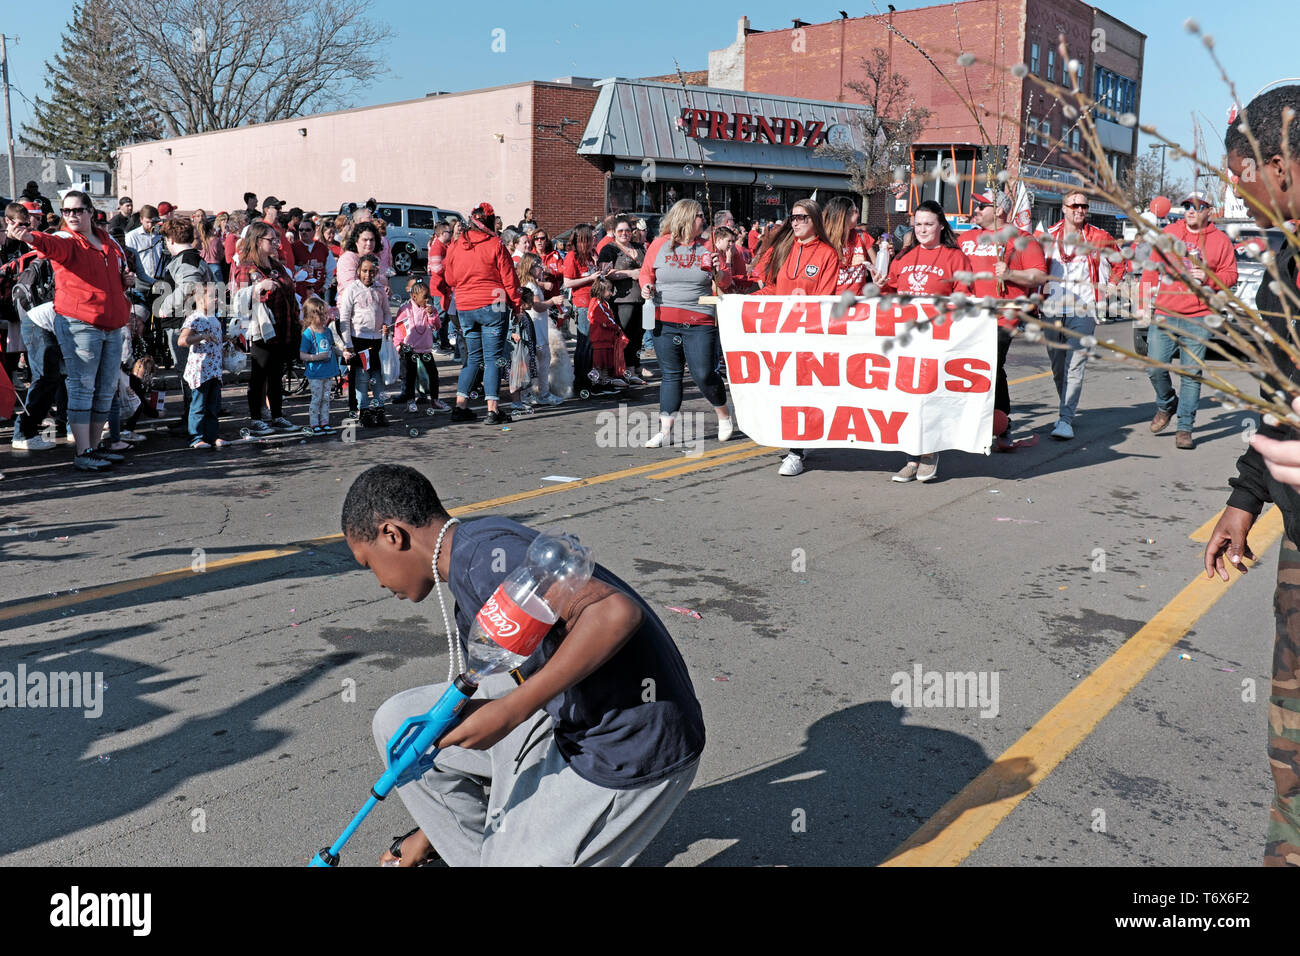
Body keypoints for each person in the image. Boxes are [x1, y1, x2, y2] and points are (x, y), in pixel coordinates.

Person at [342, 463, 704, 867]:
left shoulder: (485, 560)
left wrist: (510, 711)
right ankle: (481, 853)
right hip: (568, 714)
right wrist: (431, 833)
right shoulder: (471, 554)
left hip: (629, 747)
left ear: (392, 535)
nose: (376, 580)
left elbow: (614, 613)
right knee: (401, 726)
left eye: (367, 563)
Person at [1202, 85, 1300, 867]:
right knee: (1293, 756)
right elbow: (1275, 397)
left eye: (1242, 174)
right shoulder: (1284, 266)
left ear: (1279, 162)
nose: (1236, 192)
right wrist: (1246, 496)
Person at [4, 190, 135, 470]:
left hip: (111, 324)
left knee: (104, 389)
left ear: (90, 212)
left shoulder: (106, 240)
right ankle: (83, 451)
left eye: (77, 210)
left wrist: (125, 280)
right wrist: (26, 236)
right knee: (82, 387)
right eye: (66, 211)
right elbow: (47, 243)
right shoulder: (66, 239)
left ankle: (95, 447)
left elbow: (110, 277)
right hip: (79, 322)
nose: (72, 215)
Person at [879, 199, 974, 483]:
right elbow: (889, 294)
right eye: (918, 224)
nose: (922, 229)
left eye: (928, 224)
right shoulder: (903, 257)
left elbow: (965, 296)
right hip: (906, 340)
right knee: (906, 398)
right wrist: (880, 283)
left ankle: (929, 452)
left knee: (930, 397)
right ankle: (911, 456)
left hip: (938, 340)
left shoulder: (954, 257)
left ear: (941, 225)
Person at [750, 198, 840, 476]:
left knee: (804, 391)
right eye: (793, 217)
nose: (797, 222)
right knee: (785, 391)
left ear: (815, 221)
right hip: (781, 332)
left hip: (809, 335)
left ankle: (796, 452)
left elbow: (825, 298)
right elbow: (773, 289)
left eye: (803, 218)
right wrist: (741, 299)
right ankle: (796, 442)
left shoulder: (828, 254)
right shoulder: (783, 249)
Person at [1142, 191, 1237, 450]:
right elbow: (1151, 269)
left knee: (1191, 375)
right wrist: (1142, 303)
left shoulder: (1220, 241)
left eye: (1197, 206)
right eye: (1187, 206)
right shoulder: (1170, 233)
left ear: (1209, 211)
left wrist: (1207, 278)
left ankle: (1185, 428)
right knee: (1154, 367)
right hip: (1165, 312)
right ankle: (1166, 404)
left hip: (1199, 316)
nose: (1190, 211)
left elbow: (1231, 275)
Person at [638, 198, 735, 449]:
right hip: (664, 320)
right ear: (685, 219)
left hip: (700, 319)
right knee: (671, 375)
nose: (703, 219)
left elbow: (725, 282)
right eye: (699, 215)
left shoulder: (707, 247)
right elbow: (646, 273)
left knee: (703, 373)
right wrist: (646, 288)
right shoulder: (659, 245)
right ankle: (665, 430)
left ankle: (723, 414)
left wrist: (719, 271)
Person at [959, 191, 1048, 450]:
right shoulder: (966, 237)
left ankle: (1001, 424)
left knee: (990, 365)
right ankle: (982, 422)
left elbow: (1038, 276)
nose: (974, 209)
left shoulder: (1021, 239)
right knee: (970, 367)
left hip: (1001, 316)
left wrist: (1010, 273)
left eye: (980, 205)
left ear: (998, 210)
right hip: (966, 316)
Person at [1041, 190, 1116, 441]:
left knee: (1075, 363)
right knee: (1058, 364)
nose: (1080, 210)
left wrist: (1109, 288)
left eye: (1084, 205)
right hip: (1052, 307)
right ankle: (1067, 403)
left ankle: (1065, 419)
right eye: (1074, 205)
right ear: (1064, 208)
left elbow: (1120, 263)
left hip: (1083, 309)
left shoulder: (1098, 237)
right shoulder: (1048, 236)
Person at [444, 202, 521, 426]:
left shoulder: (457, 245)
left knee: (473, 359)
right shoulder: (495, 244)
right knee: (493, 359)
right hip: (492, 304)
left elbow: (449, 279)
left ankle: (460, 406)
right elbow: (509, 279)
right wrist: (516, 307)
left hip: (466, 305)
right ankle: (492, 410)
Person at [231, 221, 300, 436]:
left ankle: (277, 415)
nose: (277, 244)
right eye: (271, 240)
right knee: (259, 374)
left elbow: (289, 289)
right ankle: (256, 419)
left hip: (282, 326)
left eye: (276, 240)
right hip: (260, 329)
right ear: (257, 241)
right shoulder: (246, 267)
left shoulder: (275, 265)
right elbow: (237, 302)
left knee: (276, 374)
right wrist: (258, 288)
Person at [156, 217, 208, 419]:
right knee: (191, 373)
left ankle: (193, 420)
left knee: (188, 373)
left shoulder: (186, 260)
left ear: (170, 239)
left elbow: (189, 287)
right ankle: (194, 418)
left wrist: (166, 307)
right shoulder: (190, 258)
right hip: (188, 322)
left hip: (184, 324)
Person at [338, 254, 393, 427]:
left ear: (376, 271)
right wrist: (348, 344)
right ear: (358, 271)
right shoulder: (352, 290)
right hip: (359, 340)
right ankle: (364, 410)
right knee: (362, 377)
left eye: (372, 271)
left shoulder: (379, 289)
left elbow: (387, 312)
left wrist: (386, 324)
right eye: (364, 271)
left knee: (377, 376)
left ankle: (380, 409)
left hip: (376, 341)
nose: (368, 275)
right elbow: (345, 319)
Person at [597, 217, 649, 384]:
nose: (624, 234)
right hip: (621, 299)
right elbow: (605, 272)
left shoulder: (639, 247)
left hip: (642, 297)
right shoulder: (609, 249)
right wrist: (630, 273)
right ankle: (620, 370)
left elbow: (648, 267)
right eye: (620, 231)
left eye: (627, 230)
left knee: (637, 336)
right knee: (623, 335)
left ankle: (633, 368)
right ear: (614, 233)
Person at [176, 282, 226, 448]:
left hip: (214, 368)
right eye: (211, 296)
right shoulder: (195, 318)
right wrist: (201, 336)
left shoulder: (213, 317)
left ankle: (212, 435)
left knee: (213, 406)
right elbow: (182, 341)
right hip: (200, 369)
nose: (216, 299)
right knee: (198, 405)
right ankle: (196, 437)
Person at [394, 280, 449, 413]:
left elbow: (436, 326)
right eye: (425, 297)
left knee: (433, 375)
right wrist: (398, 345)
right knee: (409, 377)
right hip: (409, 348)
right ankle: (410, 401)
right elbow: (398, 328)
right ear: (414, 297)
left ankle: (435, 400)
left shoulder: (430, 309)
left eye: (428, 296)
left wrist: (431, 314)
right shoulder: (405, 309)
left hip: (425, 348)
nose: (427, 299)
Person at [563, 224, 601, 388]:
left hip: (595, 302)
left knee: (592, 342)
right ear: (583, 239)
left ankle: (589, 377)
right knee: (584, 342)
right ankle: (580, 379)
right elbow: (568, 282)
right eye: (591, 237)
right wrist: (590, 278)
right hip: (583, 303)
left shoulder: (591, 255)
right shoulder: (572, 256)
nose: (595, 240)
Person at [298, 295, 342, 434]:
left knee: (326, 398)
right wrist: (316, 357)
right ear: (311, 315)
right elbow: (302, 355)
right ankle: (314, 423)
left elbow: (332, 347)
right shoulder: (308, 333)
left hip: (327, 372)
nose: (325, 317)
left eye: (325, 314)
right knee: (317, 398)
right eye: (322, 315)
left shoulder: (327, 331)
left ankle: (325, 422)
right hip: (315, 373)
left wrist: (343, 353)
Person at [822, 196, 875, 296]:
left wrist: (886, 256)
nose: (858, 214)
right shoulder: (824, 240)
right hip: (834, 301)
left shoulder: (862, 236)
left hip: (858, 302)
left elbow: (877, 266)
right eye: (855, 211)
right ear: (844, 215)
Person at [586, 275, 626, 387]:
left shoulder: (601, 302)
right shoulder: (597, 303)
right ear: (601, 290)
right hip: (600, 339)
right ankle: (597, 384)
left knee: (604, 364)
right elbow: (606, 319)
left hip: (604, 339)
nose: (611, 293)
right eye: (609, 290)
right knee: (599, 364)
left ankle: (604, 382)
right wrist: (616, 327)